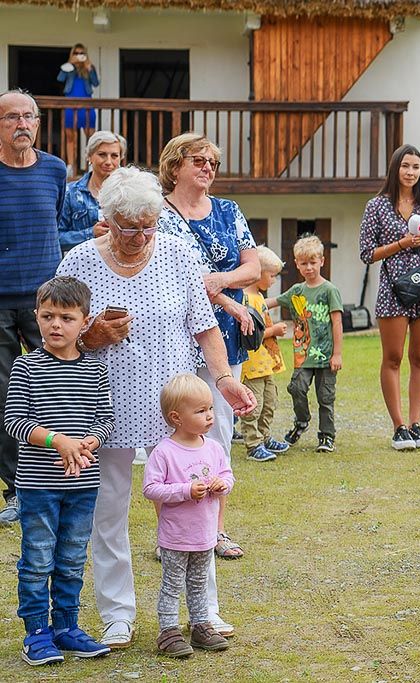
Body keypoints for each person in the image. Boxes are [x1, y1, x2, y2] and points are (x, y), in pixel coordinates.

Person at [56, 166, 255, 648]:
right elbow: (56, 333)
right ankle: (118, 614)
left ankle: (205, 610)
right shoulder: (79, 262)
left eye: (148, 225)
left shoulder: (178, 253)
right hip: (103, 407)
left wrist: (224, 378)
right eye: (129, 227)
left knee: (199, 507)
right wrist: (92, 335)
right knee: (109, 512)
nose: (140, 236)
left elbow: (205, 328)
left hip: (177, 409)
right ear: (109, 219)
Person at [156, 132, 259, 561]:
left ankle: (215, 531)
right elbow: (179, 276)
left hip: (223, 341)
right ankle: (170, 534)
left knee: (218, 432)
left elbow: (252, 265)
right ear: (175, 165)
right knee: (174, 434)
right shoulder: (160, 214)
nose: (207, 169)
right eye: (198, 160)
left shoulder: (230, 211)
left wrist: (222, 283)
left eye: (212, 163)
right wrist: (225, 301)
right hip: (177, 336)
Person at [4, 276, 114, 665]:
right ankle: (37, 633)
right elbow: (14, 421)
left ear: (84, 322)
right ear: (35, 315)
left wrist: (89, 443)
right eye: (47, 315)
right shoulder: (26, 366)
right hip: (37, 486)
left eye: (66, 318)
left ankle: (67, 627)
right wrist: (58, 441)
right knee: (37, 558)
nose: (55, 325)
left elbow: (105, 420)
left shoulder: (96, 371)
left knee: (71, 558)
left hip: (83, 484)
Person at [1, 89, 66, 527]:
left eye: (29, 117)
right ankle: (16, 491)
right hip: (0, 303)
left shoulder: (55, 170)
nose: (22, 124)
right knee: (6, 395)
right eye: (11, 118)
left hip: (47, 301)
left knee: (57, 390)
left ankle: (64, 476)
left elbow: (57, 226)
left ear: (38, 124)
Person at [359, 145, 420, 451]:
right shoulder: (377, 206)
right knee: (392, 358)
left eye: (416, 167)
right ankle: (399, 427)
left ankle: (416, 423)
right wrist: (401, 243)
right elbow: (366, 253)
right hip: (393, 288)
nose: (411, 172)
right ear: (395, 169)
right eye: (406, 166)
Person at [143, 374, 234, 658]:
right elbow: (150, 488)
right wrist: (184, 490)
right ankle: (168, 631)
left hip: (204, 534)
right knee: (172, 583)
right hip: (176, 536)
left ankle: (200, 625)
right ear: (176, 417)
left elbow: (227, 475)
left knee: (198, 583)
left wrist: (223, 484)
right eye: (200, 411)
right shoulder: (164, 452)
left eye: (209, 409)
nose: (209, 416)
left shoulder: (214, 448)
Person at [268, 235, 343, 453]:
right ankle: (302, 421)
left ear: (322, 261)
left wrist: (337, 354)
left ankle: (326, 436)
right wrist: (247, 302)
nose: (309, 267)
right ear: (297, 264)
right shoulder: (296, 291)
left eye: (313, 262)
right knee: (296, 388)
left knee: (325, 397)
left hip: (326, 356)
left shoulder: (330, 291)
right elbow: (271, 302)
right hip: (303, 355)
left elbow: (337, 323)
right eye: (304, 263)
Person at [239, 246, 291, 462]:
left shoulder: (258, 297)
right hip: (252, 365)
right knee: (254, 405)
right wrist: (274, 331)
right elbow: (250, 334)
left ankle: (265, 436)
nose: (273, 281)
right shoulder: (244, 299)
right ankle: (253, 443)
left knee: (270, 402)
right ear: (257, 272)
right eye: (271, 276)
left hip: (265, 363)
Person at [57, 131, 126, 254]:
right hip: (82, 266)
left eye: (114, 156)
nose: (108, 162)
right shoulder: (70, 193)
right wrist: (90, 233)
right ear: (89, 156)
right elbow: (57, 238)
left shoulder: (128, 193)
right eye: (102, 154)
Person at [57, 44, 100, 176]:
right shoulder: (68, 67)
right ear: (72, 54)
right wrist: (70, 65)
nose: (79, 55)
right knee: (71, 138)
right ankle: (71, 166)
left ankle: (92, 164)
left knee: (91, 137)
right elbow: (60, 78)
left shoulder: (89, 67)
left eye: (81, 52)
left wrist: (89, 68)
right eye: (76, 52)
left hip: (86, 106)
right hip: (70, 105)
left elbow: (96, 83)